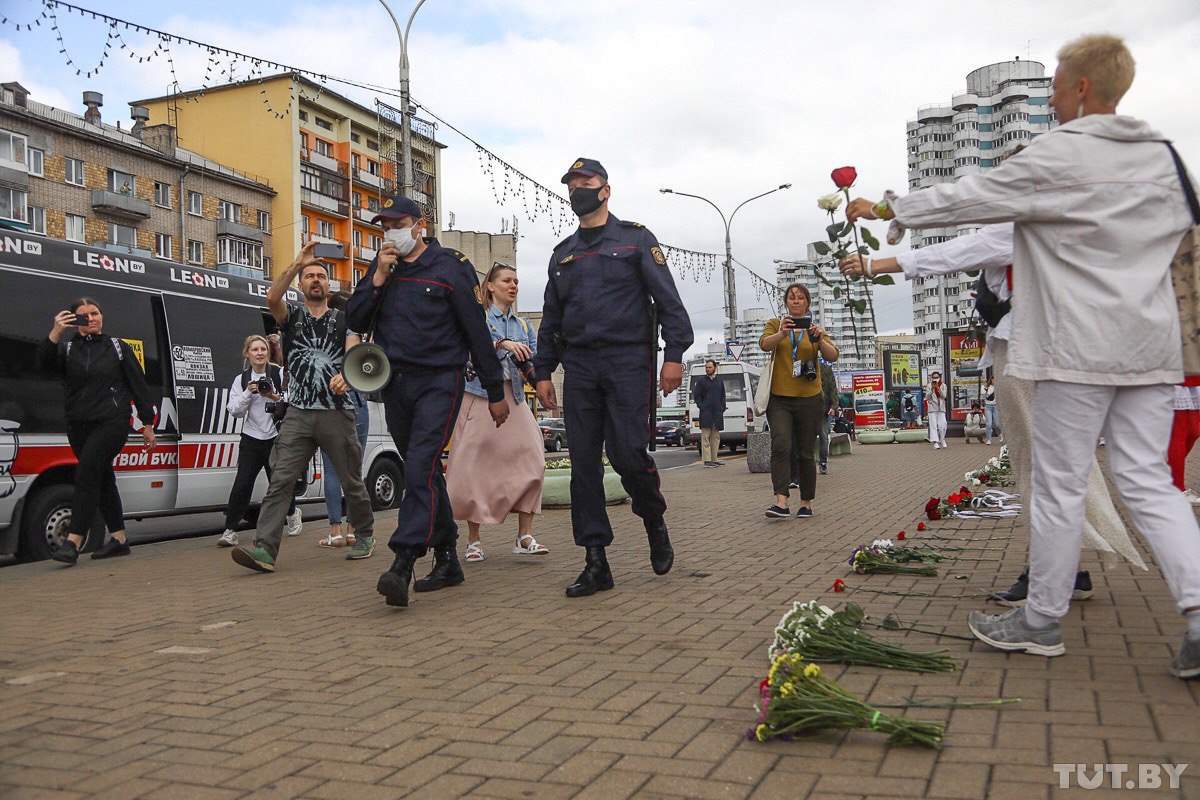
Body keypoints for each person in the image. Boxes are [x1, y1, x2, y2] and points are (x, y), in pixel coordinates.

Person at [847, 34, 1200, 677]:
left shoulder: (1062, 154)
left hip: (1075, 347)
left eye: (1058, 84)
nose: (1055, 95)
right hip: (1151, 346)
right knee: (1149, 482)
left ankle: (1040, 620)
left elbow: (971, 201)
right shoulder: (1165, 158)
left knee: (1059, 485)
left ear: (1083, 88)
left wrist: (895, 208)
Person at [841, 222, 1141, 608]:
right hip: (1046, 343)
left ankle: (1047, 575)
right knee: (1049, 463)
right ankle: (1067, 570)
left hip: (1023, 348)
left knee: (1034, 465)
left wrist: (875, 263)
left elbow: (957, 251)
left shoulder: (1018, 224)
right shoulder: (1057, 220)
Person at [533, 158, 694, 597]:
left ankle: (653, 518)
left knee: (626, 454)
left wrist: (674, 356)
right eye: (572, 184)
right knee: (583, 465)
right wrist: (543, 370)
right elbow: (551, 318)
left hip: (628, 361)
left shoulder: (636, 239)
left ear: (606, 190)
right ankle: (595, 561)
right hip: (580, 366)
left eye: (587, 182)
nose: (578, 189)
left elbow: (669, 301)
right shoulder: (561, 254)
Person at [347, 196, 508, 609]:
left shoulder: (451, 267)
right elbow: (356, 319)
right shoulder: (383, 266)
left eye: (398, 223)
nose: (390, 232)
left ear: (421, 225)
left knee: (417, 464)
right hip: (394, 382)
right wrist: (378, 278)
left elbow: (476, 333)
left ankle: (403, 561)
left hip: (441, 379)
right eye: (384, 226)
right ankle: (449, 557)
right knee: (426, 471)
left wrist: (494, 392)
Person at [230, 245, 375, 573]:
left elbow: (354, 353)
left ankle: (364, 533)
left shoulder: (343, 320)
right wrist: (297, 263)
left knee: (351, 478)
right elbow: (271, 299)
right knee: (280, 479)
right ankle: (265, 550)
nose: (315, 280)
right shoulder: (291, 317)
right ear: (302, 283)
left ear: (328, 285)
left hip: (336, 411)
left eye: (321, 276)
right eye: (310, 276)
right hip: (297, 412)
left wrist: (346, 376)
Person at [39, 298, 156, 565]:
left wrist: (147, 423)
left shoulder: (117, 348)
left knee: (86, 473)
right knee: (102, 478)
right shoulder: (68, 349)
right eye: (83, 316)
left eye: (95, 313)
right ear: (73, 321)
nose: (90, 319)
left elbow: (138, 385)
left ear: (102, 316)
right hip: (78, 425)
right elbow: (42, 368)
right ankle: (119, 540)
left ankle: (73, 542)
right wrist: (56, 332)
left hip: (112, 422)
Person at [446, 262, 547, 562]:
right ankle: (473, 540)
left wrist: (541, 382)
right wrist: (502, 343)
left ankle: (524, 535)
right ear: (490, 286)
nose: (513, 286)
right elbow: (466, 351)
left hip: (514, 396)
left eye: (516, 281)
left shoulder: (524, 324)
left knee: (534, 457)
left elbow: (534, 362)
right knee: (471, 465)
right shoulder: (476, 318)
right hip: (479, 394)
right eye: (506, 280)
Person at [759, 284, 840, 519]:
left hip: (809, 399)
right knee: (781, 445)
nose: (796, 301)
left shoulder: (814, 329)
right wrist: (782, 334)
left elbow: (832, 355)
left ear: (807, 303)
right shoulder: (776, 324)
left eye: (800, 298)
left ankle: (806, 503)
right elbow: (764, 344)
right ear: (786, 302)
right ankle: (781, 503)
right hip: (779, 399)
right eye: (792, 298)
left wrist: (820, 339)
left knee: (805, 452)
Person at [217, 335, 301, 547]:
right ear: (247, 354)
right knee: (242, 483)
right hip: (252, 437)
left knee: (280, 481)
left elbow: (293, 399)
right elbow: (233, 410)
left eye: (263, 349)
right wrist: (248, 392)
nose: (260, 353)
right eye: (255, 350)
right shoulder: (242, 379)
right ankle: (230, 530)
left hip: (276, 435)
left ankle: (292, 513)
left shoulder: (279, 373)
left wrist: (272, 395)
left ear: (268, 352)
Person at [318, 363, 370, 548]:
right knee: (355, 470)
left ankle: (335, 532)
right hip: (357, 403)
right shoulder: (352, 344)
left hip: (328, 406)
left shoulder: (323, 348)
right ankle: (352, 530)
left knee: (331, 471)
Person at [1170, 382, 1200, 505]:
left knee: (1194, 431)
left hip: (1192, 380)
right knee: (1179, 434)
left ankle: (1166, 473)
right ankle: (1176, 489)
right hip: (1178, 379)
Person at [693, 359, 726, 467]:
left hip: (717, 412)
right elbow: (696, 395)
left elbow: (723, 396)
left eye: (710, 367)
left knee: (716, 437)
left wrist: (722, 408)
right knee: (705, 436)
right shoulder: (701, 381)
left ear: (715, 368)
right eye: (706, 367)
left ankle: (714, 459)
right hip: (706, 412)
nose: (708, 369)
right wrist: (701, 406)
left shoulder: (719, 381)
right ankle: (707, 460)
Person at [925, 371, 948, 449]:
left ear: (940, 377)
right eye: (934, 378)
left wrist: (938, 388)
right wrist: (932, 388)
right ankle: (935, 442)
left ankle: (942, 439)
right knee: (933, 425)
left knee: (943, 424)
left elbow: (944, 396)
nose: (935, 379)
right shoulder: (929, 386)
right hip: (932, 407)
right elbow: (927, 396)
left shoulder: (943, 385)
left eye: (937, 377)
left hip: (941, 407)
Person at [983, 376, 1001, 445]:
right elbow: (983, 393)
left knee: (997, 424)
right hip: (988, 406)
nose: (995, 381)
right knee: (988, 424)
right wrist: (983, 384)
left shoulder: (999, 388)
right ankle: (989, 439)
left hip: (996, 406)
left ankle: (1000, 434)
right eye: (993, 379)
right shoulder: (987, 387)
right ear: (991, 380)